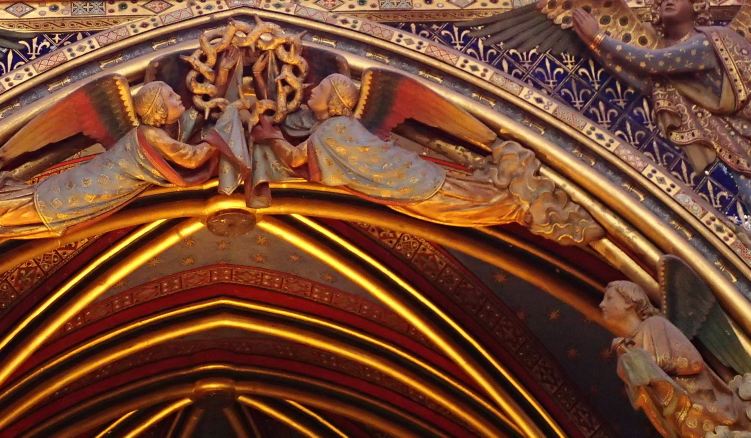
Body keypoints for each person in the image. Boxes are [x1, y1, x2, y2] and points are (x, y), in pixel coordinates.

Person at [0, 81, 220, 267]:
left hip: (83, 194)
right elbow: (192, 157)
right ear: (156, 110)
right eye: (171, 96)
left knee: (32, 211)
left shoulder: (159, 135)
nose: (179, 97)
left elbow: (187, 140)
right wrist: (224, 133)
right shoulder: (150, 136)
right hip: (72, 194)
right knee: (31, 210)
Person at [254, 73, 601, 244]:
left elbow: (296, 157)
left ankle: (525, 205)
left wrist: (269, 135)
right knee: (463, 200)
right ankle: (521, 201)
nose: (312, 90)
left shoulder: (331, 130)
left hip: (415, 184)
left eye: (319, 89)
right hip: (409, 183)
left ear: (335, 102)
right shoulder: (331, 129)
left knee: (464, 205)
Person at [572, 0, 751, 177]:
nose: (669, 2)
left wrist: (597, 37)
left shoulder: (708, 40)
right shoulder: (661, 49)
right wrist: (593, 43)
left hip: (735, 135)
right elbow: (636, 73)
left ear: (696, 6)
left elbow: (653, 62)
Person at [600, 281, 751, 438]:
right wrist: (627, 359)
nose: (602, 304)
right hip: (684, 424)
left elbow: (692, 361)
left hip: (711, 410)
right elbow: (642, 399)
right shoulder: (626, 350)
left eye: (609, 298)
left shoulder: (655, 325)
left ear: (628, 302)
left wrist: (645, 362)